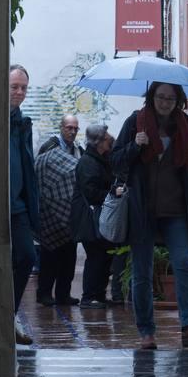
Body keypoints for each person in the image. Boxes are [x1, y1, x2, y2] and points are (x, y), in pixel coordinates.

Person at [111, 82, 188, 350]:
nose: (165, 102)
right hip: (143, 211)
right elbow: (116, 160)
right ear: (152, 96)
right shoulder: (136, 122)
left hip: (177, 210)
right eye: (160, 97)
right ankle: (146, 332)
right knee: (142, 272)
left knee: (183, 264)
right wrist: (135, 146)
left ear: (178, 100)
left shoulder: (186, 127)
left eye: (171, 98)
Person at [9, 64, 39, 345]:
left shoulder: (23, 123)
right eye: (14, 86)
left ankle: (9, 313)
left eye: (23, 88)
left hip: (17, 205)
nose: (19, 92)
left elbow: (27, 167)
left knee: (27, 257)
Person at [73, 123, 115, 308]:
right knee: (96, 255)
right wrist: (113, 194)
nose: (109, 141)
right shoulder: (88, 162)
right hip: (91, 217)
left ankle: (98, 294)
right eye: (106, 138)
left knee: (104, 255)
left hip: (100, 216)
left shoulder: (100, 159)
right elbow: (91, 192)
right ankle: (89, 297)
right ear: (98, 142)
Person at [34, 145, 80, 306]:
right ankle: (46, 293)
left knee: (66, 260)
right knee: (50, 261)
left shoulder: (54, 170)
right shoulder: (56, 167)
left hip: (63, 221)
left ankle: (61, 294)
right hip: (54, 222)